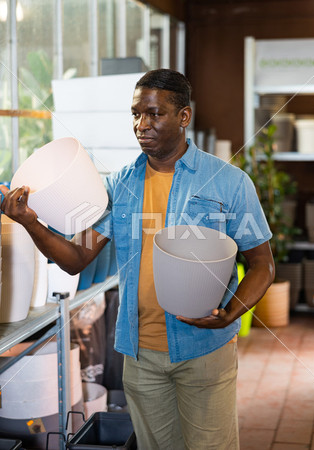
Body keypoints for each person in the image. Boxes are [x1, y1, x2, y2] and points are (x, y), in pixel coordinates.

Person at [0, 69, 275, 450]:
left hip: (203, 350)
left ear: (183, 116)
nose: (141, 125)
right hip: (141, 356)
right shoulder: (117, 186)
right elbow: (76, 258)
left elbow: (263, 263)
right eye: (135, 114)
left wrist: (231, 312)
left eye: (154, 114)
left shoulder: (228, 182)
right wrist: (31, 223)